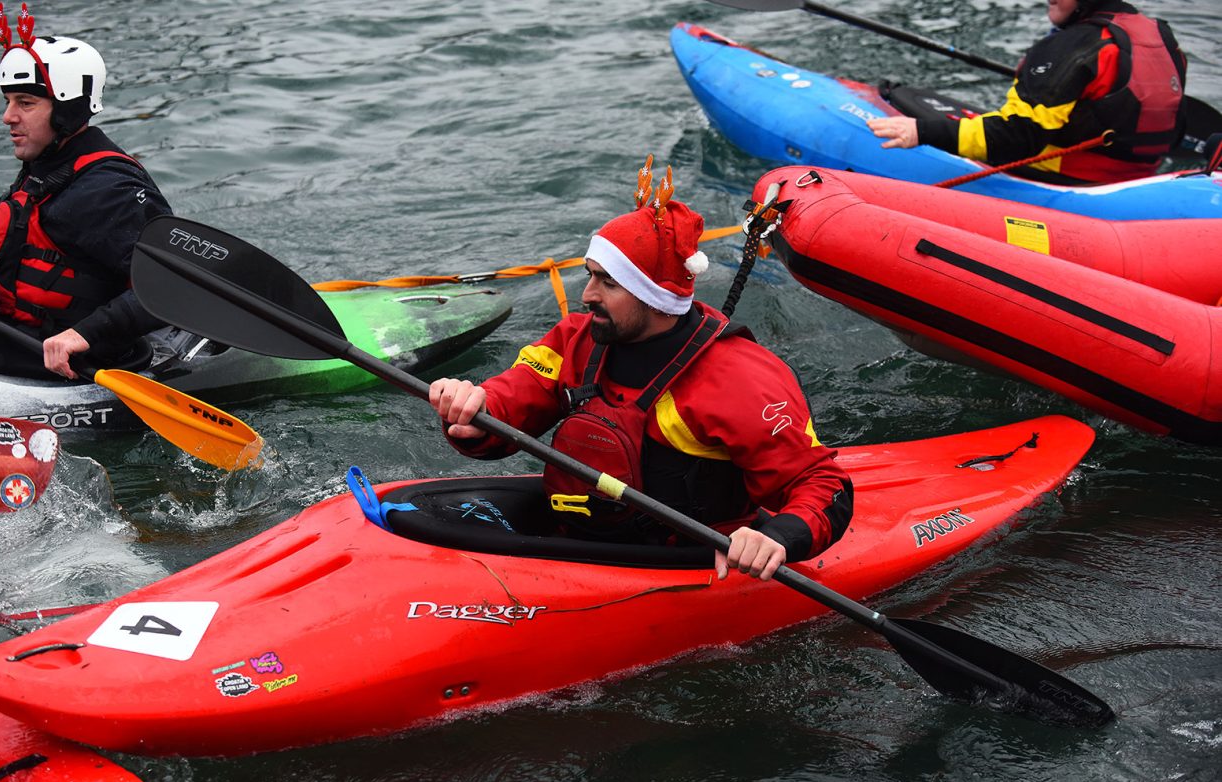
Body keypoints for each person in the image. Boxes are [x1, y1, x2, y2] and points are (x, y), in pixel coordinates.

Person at [429, 163, 854, 582]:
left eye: (608, 284)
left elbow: (820, 483)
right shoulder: (576, 338)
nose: (587, 295)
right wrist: (472, 410)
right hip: (579, 535)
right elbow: (512, 397)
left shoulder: (740, 378)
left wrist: (779, 535)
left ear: (655, 298)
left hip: (687, 559)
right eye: (590, 276)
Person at [0, 3, 172, 380]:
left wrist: (83, 335)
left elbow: (173, 286)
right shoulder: (47, 172)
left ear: (67, 111)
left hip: (82, 363)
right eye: (8, 101)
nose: (8, 116)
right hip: (22, 340)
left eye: (25, 103)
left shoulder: (106, 189)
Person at [867, 0, 1187, 184]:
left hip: (1068, 181)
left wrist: (921, 131)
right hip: (1139, 180)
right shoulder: (1160, 35)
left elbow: (1017, 140)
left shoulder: (1074, 46)